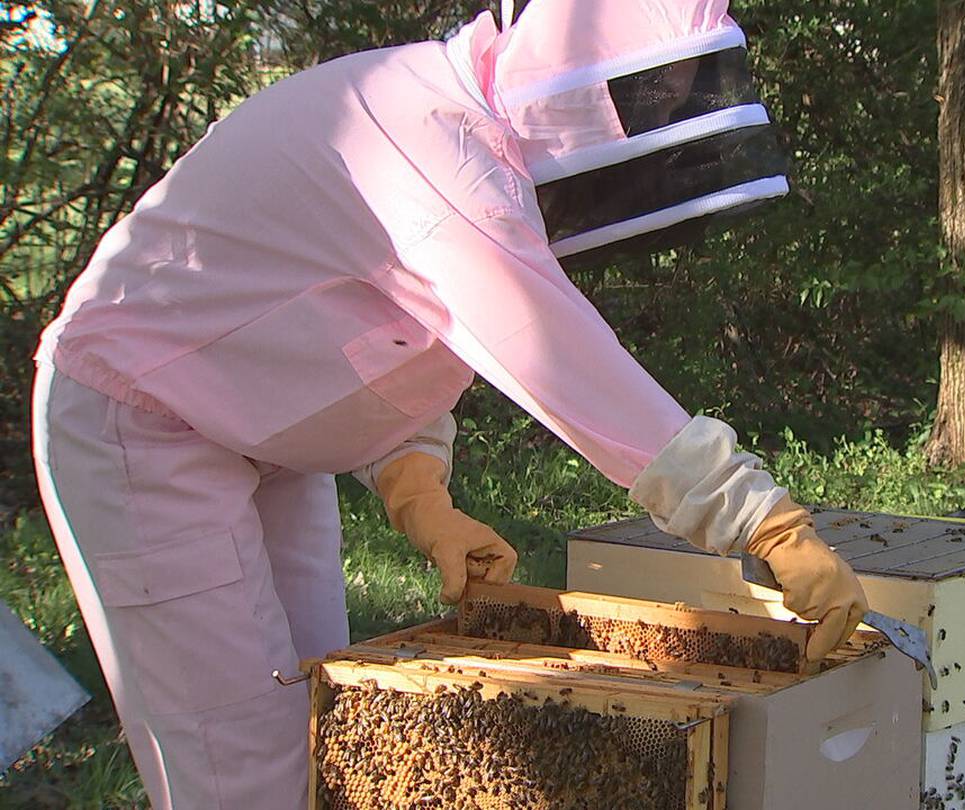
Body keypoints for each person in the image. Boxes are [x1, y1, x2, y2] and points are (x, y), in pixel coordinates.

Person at [29, 0, 869, 807]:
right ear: (586, 101)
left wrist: (415, 487)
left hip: (266, 435)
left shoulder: (459, 140)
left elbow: (375, 339)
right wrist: (762, 522)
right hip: (138, 423)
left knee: (330, 703)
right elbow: (560, 359)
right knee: (241, 763)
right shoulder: (433, 145)